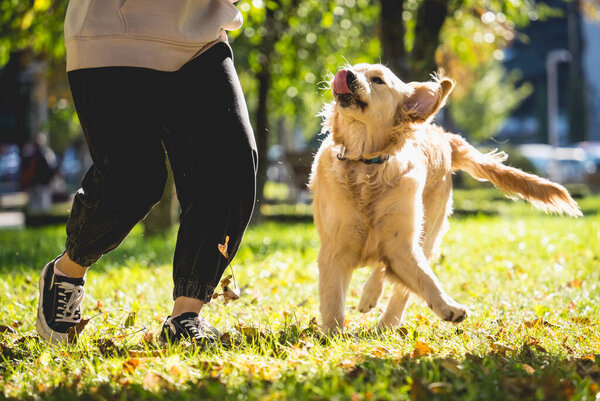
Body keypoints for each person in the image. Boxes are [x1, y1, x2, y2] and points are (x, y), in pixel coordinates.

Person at [36, 0, 257, 345]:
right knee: (134, 180)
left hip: (201, 37)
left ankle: (185, 316)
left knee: (230, 166)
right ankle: (68, 269)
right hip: (109, 35)